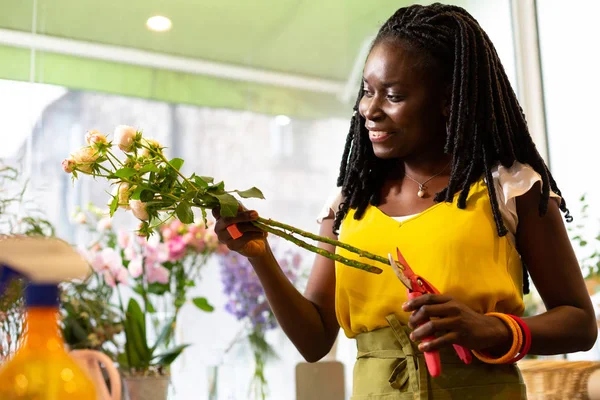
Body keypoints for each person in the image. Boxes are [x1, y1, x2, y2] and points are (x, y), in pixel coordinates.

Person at [213, 3, 597, 399]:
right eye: (367, 90)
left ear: (449, 100)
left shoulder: (511, 188)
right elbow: (314, 342)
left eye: (393, 95)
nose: (369, 110)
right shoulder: (349, 203)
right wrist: (260, 257)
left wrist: (491, 328)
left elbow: (581, 323)